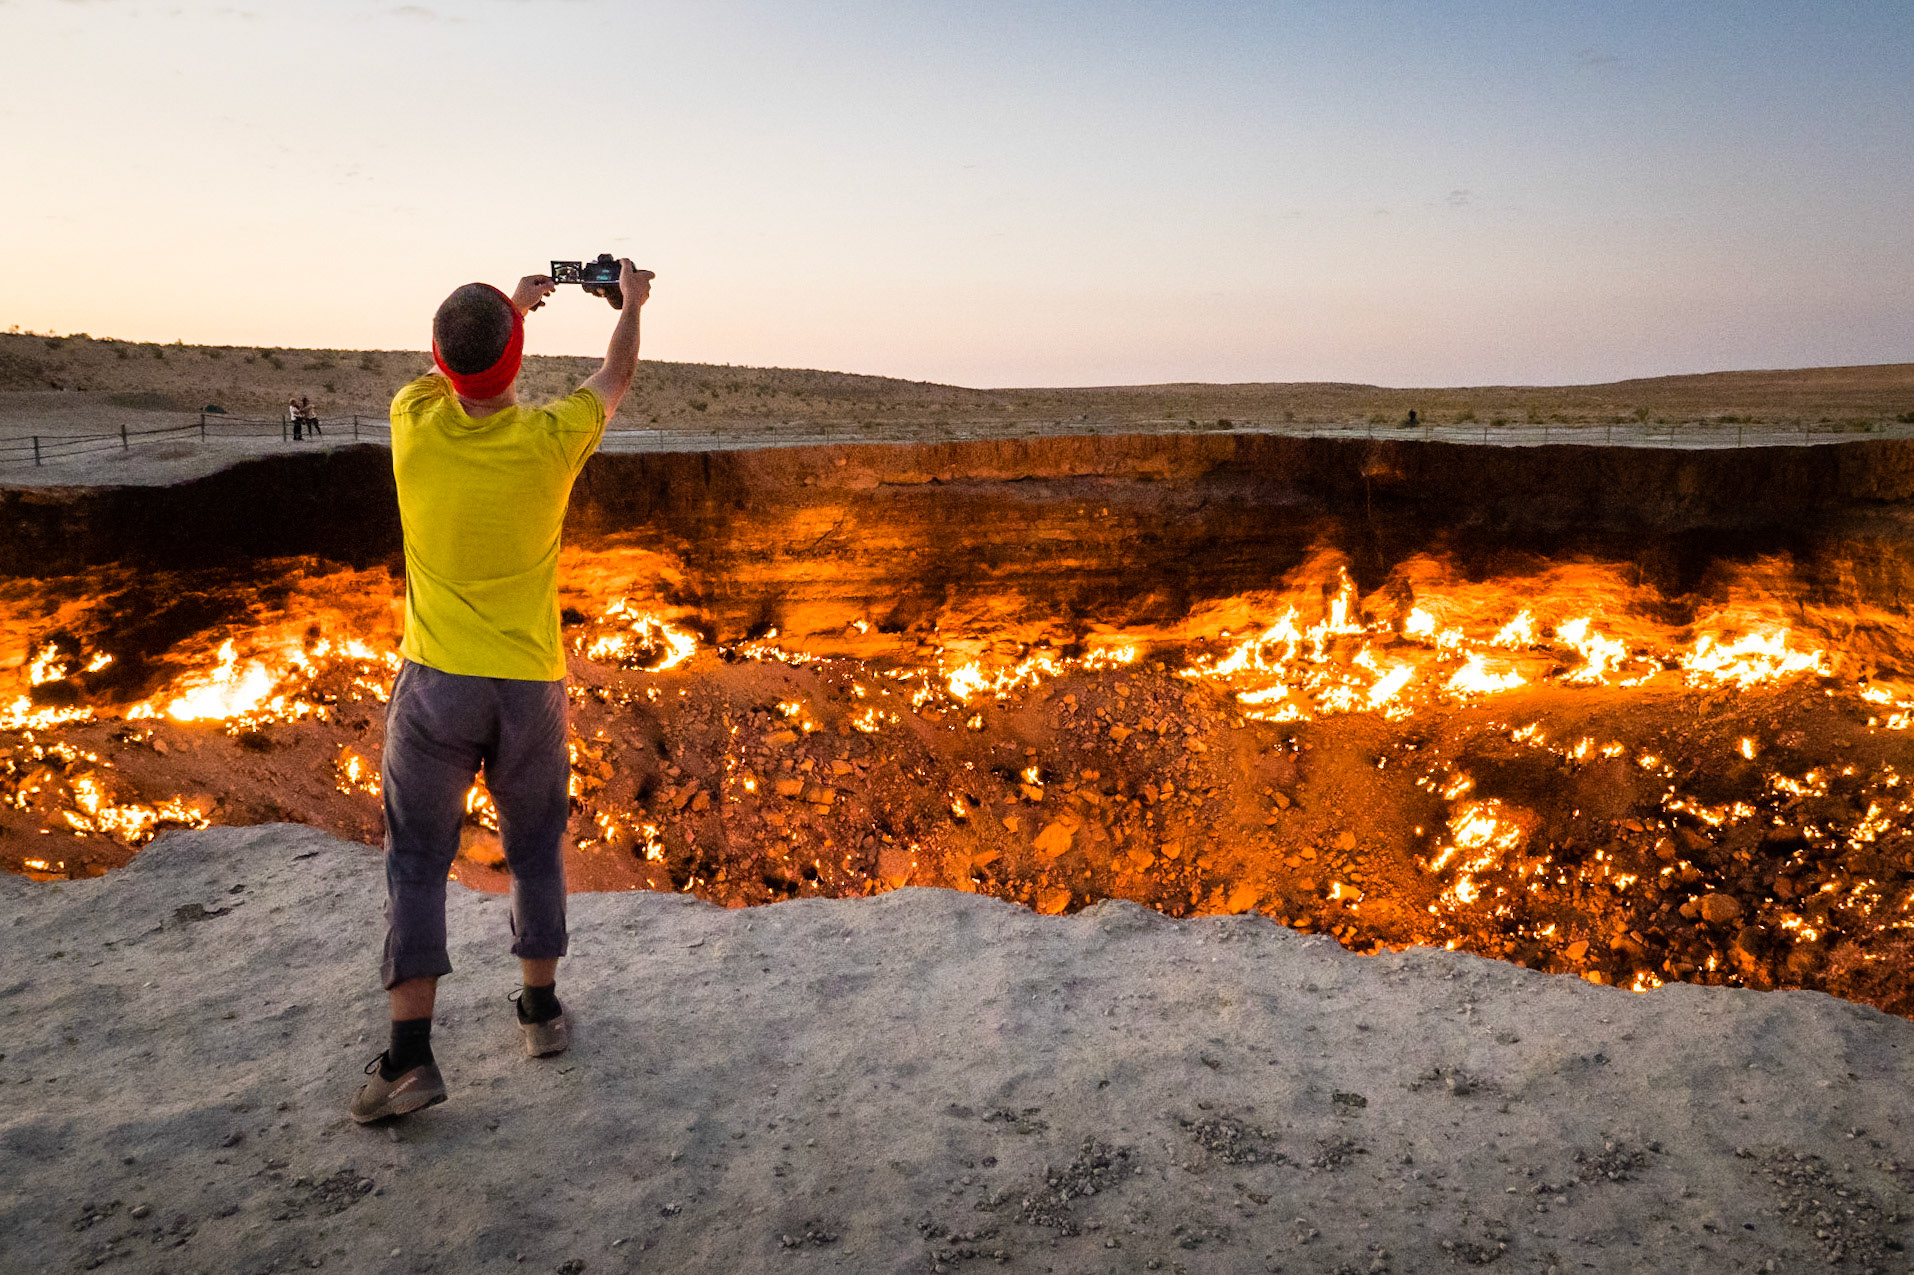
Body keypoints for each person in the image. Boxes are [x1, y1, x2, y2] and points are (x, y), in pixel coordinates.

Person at [350, 258, 655, 1123]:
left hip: (437, 683)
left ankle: (410, 1058)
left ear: (441, 362)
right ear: (517, 361)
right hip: (528, 687)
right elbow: (617, 373)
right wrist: (628, 304)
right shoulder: (555, 437)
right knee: (535, 845)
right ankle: (541, 1011)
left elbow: (449, 365)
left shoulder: (413, 420)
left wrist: (509, 309)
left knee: (416, 860)